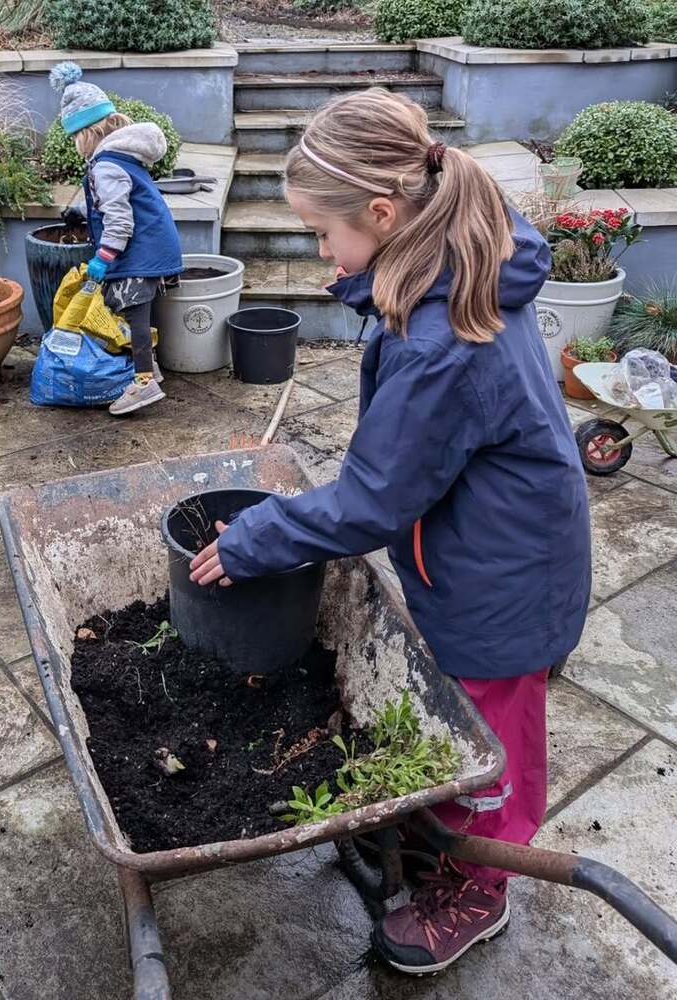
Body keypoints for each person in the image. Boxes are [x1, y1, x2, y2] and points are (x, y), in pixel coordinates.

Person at [189, 88, 591, 974]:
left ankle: (482, 883)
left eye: (323, 235)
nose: (320, 252)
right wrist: (364, 279)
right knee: (468, 705)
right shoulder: (445, 257)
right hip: (486, 548)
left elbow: (373, 499)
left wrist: (257, 537)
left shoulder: (445, 341)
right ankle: (448, 832)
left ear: (382, 211)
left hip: (507, 580)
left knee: (493, 740)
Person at [50, 62, 183, 416]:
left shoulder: (105, 164)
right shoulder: (119, 156)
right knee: (135, 315)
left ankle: (144, 384)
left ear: (88, 132)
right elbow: (118, 199)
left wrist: (103, 258)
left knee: (135, 318)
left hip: (139, 250)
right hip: (153, 245)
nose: (75, 146)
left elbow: (120, 220)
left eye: (75, 138)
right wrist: (83, 208)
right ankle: (148, 369)